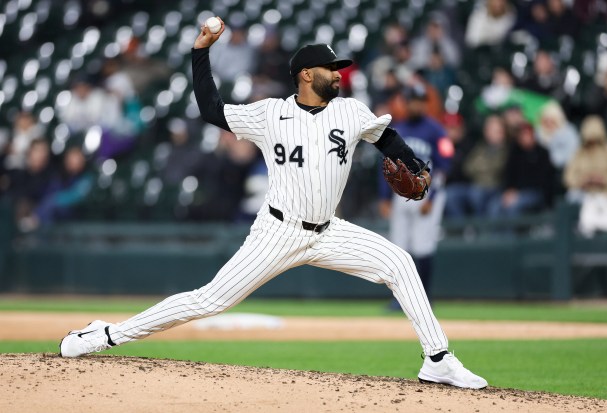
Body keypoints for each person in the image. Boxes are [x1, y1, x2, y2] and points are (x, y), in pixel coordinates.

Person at [59, 18, 487, 390]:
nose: (338, 74)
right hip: (277, 232)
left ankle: (437, 360)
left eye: (339, 68)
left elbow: (388, 138)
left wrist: (419, 166)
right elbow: (210, 109)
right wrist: (200, 52)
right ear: (305, 74)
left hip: (329, 231)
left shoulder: (351, 111)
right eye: (330, 68)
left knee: (400, 264)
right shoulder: (270, 114)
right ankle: (106, 335)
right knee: (209, 301)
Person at [378, 85, 453, 303]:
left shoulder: (437, 130)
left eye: (420, 100)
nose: (415, 104)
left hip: (427, 194)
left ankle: (424, 298)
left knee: (423, 245)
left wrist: (434, 194)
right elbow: (384, 164)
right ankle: (399, 299)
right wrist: (384, 197)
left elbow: (444, 167)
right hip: (399, 195)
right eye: (412, 100)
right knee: (398, 247)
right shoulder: (397, 129)